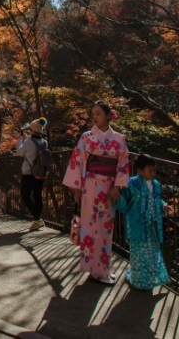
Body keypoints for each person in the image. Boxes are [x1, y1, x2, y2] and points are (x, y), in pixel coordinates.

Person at [62, 100, 130, 285]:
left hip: (108, 188)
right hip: (90, 186)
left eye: (98, 113)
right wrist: (76, 188)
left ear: (109, 115)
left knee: (105, 227)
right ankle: (96, 270)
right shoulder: (87, 137)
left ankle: (101, 269)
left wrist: (118, 186)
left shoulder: (119, 139)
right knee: (90, 227)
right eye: (93, 114)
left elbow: (123, 163)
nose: (95, 117)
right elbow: (78, 162)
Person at [116, 155, 173, 290]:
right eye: (149, 170)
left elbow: (156, 200)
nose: (153, 173)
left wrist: (164, 206)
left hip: (152, 224)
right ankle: (138, 281)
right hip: (137, 223)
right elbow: (124, 201)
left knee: (152, 252)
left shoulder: (156, 185)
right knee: (139, 253)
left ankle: (149, 280)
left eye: (154, 170)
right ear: (140, 171)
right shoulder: (131, 183)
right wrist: (117, 196)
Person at [17, 117, 48, 231]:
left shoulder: (28, 142)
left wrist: (20, 140)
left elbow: (20, 152)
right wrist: (26, 139)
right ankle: (37, 220)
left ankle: (37, 218)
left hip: (29, 172)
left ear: (33, 130)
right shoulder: (44, 142)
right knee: (37, 195)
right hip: (40, 172)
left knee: (25, 195)